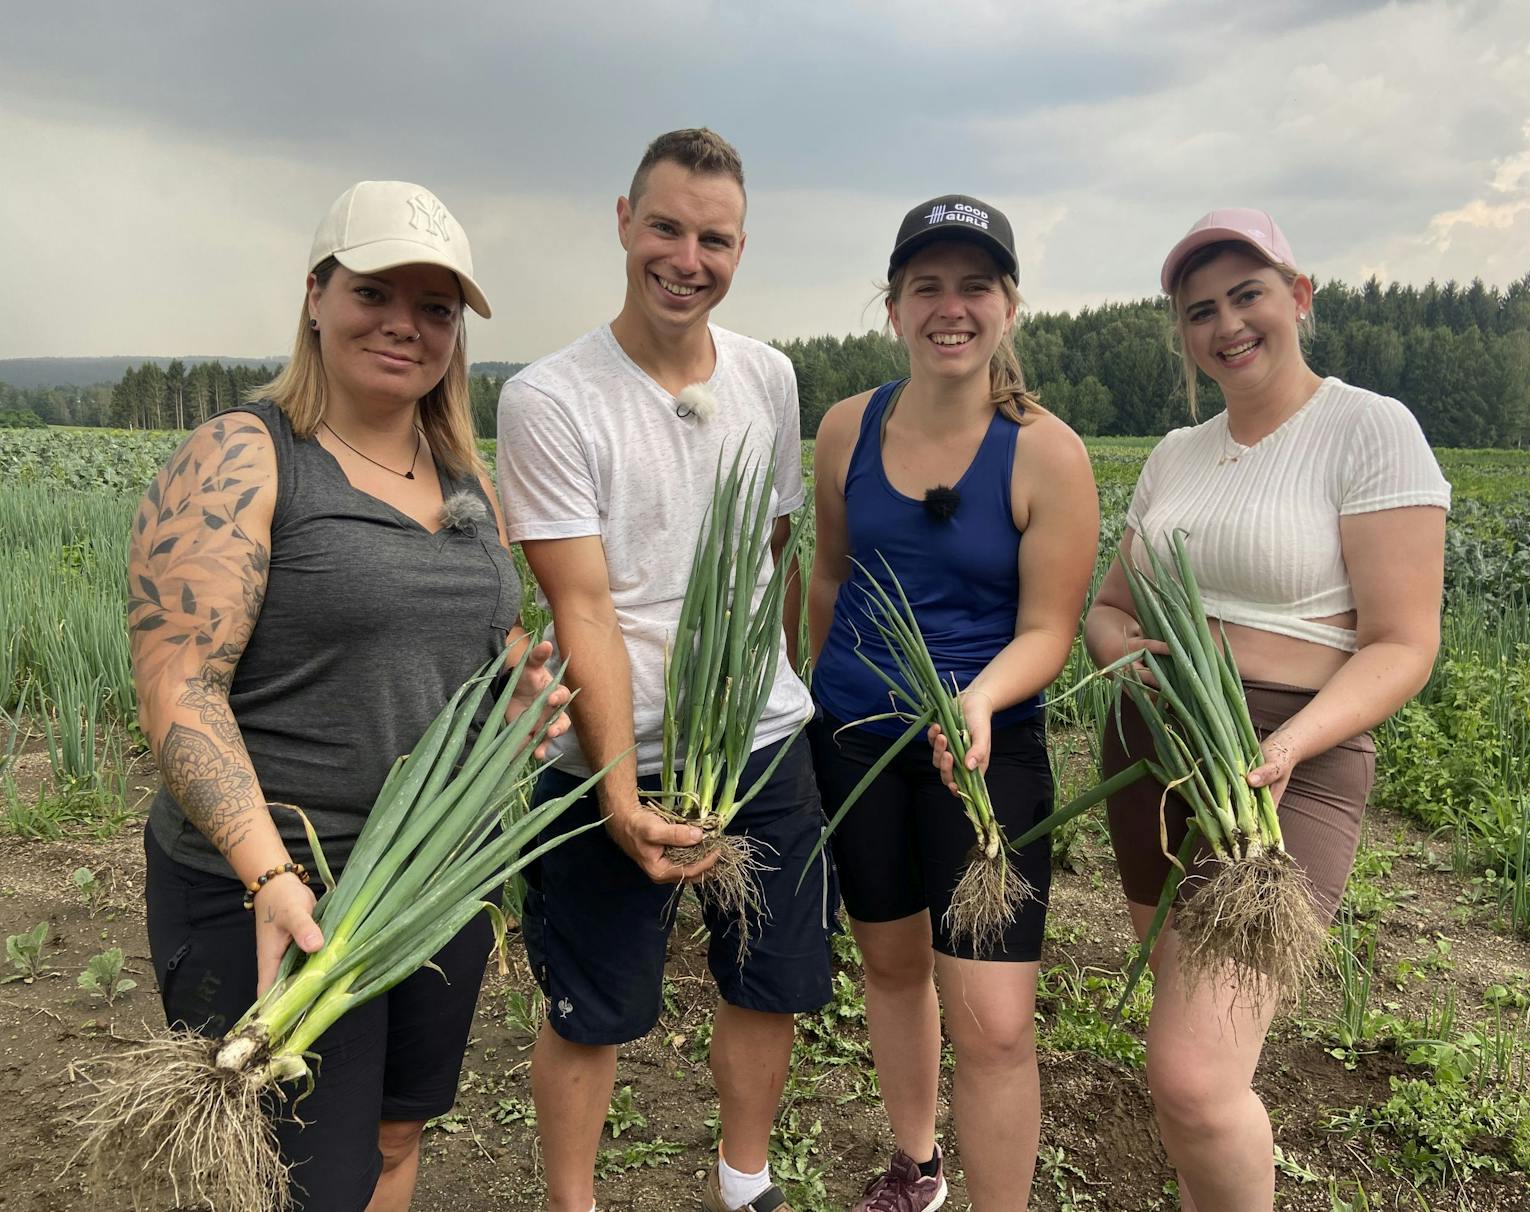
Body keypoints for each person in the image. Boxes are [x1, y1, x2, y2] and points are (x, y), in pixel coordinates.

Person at [132, 180, 568, 1212]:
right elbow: (179, 685)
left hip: (426, 877)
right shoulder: (244, 454)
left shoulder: (463, 471)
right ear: (318, 295)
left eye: (435, 308)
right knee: (297, 1182)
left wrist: (513, 690)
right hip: (282, 886)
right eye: (376, 292)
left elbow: (480, 637)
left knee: (391, 1133)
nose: (404, 326)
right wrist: (270, 876)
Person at [1083, 208, 1450, 1211]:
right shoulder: (1174, 452)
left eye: (1246, 294)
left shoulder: (1369, 428)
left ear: (1297, 295)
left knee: (1196, 1080)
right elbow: (1108, 612)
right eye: (1198, 310)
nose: (1225, 324)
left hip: (1280, 761)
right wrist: (1130, 661)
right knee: (1183, 1060)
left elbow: (1401, 644)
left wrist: (1283, 744)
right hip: (1152, 752)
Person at [497, 128, 835, 1212]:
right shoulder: (550, 399)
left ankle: (746, 1181)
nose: (687, 258)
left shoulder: (768, 379)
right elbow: (582, 604)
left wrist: (773, 687)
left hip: (763, 742)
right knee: (594, 1007)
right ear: (622, 222)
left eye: (714, 238)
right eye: (666, 228)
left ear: (740, 247)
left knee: (768, 980)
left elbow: (774, 552)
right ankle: (572, 1202)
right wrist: (612, 788)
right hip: (612, 749)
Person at [807, 196, 1100, 1212]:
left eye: (974, 285)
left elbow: (1048, 629)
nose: (950, 307)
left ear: (1008, 305)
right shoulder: (847, 427)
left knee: (994, 1020)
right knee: (889, 968)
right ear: (891, 306)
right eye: (925, 285)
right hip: (854, 741)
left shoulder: (1044, 454)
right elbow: (831, 575)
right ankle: (915, 1166)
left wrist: (975, 702)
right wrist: (814, 691)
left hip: (984, 750)